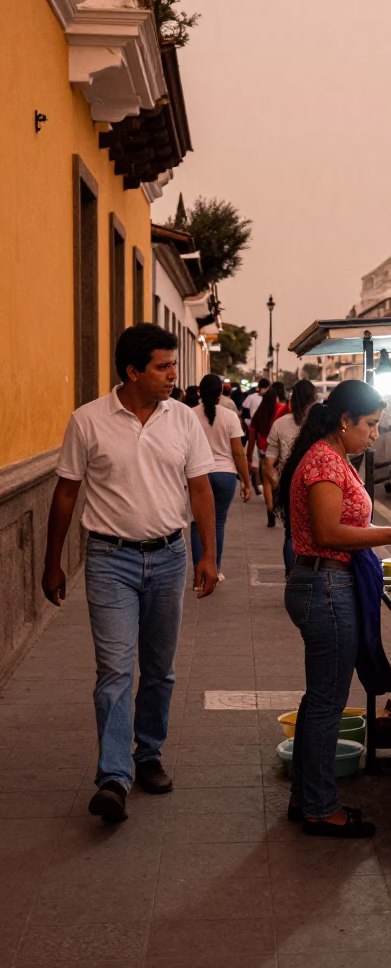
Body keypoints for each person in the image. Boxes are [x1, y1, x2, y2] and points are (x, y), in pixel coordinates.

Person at [40, 323, 218, 824]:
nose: (172, 375)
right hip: (108, 560)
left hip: (169, 557)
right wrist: (51, 562)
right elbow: (66, 494)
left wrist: (209, 554)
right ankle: (114, 777)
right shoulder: (88, 421)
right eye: (163, 367)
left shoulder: (182, 419)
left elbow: (200, 488)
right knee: (116, 670)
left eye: (172, 365)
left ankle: (148, 755)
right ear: (132, 371)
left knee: (159, 669)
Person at [278, 380, 391, 838]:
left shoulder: (332, 456)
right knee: (327, 703)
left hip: (323, 582)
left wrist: (388, 533)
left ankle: (305, 796)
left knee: (318, 698)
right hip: (324, 584)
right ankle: (321, 809)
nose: (375, 436)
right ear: (345, 422)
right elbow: (327, 532)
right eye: (370, 425)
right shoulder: (324, 461)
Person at [191, 373, 252, 582]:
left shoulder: (190, 415)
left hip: (198, 474)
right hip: (225, 474)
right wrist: (246, 481)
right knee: (217, 523)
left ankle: (198, 573)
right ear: (221, 392)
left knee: (197, 522)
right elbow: (237, 452)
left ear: (200, 391)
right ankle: (214, 570)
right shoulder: (229, 416)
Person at [263, 379, 317, 572]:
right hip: (318, 486)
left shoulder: (280, 424)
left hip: (290, 486)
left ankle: (291, 577)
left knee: (291, 534)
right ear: (314, 399)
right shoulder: (321, 425)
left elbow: (268, 464)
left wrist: (279, 485)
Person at [248, 382, 288, 526]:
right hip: (281, 450)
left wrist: (248, 456)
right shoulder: (282, 410)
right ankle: (281, 506)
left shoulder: (259, 413)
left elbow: (252, 435)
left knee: (267, 482)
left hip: (265, 451)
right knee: (281, 479)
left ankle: (270, 511)